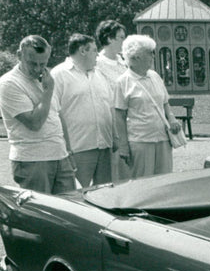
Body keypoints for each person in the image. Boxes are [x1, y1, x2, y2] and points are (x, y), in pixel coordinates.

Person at [0, 35, 75, 194]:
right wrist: (48, 92)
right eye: (32, 63)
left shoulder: (46, 79)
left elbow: (57, 115)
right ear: (19, 55)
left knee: (70, 207)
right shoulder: (9, 83)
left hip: (60, 155)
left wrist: (68, 150)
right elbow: (35, 123)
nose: (37, 69)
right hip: (32, 160)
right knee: (40, 209)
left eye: (43, 64)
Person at [114, 34, 181, 178]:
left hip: (163, 139)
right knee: (143, 181)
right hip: (140, 141)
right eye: (150, 53)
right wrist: (123, 146)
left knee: (165, 179)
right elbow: (119, 116)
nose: (153, 56)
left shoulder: (155, 76)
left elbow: (165, 102)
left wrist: (172, 119)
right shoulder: (123, 82)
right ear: (136, 56)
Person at [51, 33, 114, 187]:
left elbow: (110, 106)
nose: (97, 55)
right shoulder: (59, 75)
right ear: (82, 51)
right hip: (77, 148)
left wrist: (115, 137)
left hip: (104, 146)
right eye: (94, 50)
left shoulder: (99, 74)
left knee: (105, 193)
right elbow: (53, 112)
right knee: (78, 194)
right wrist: (65, 148)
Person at [94, 20, 129, 182]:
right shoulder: (97, 64)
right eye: (121, 37)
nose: (124, 41)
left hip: (130, 118)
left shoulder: (124, 61)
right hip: (112, 120)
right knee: (116, 166)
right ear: (109, 38)